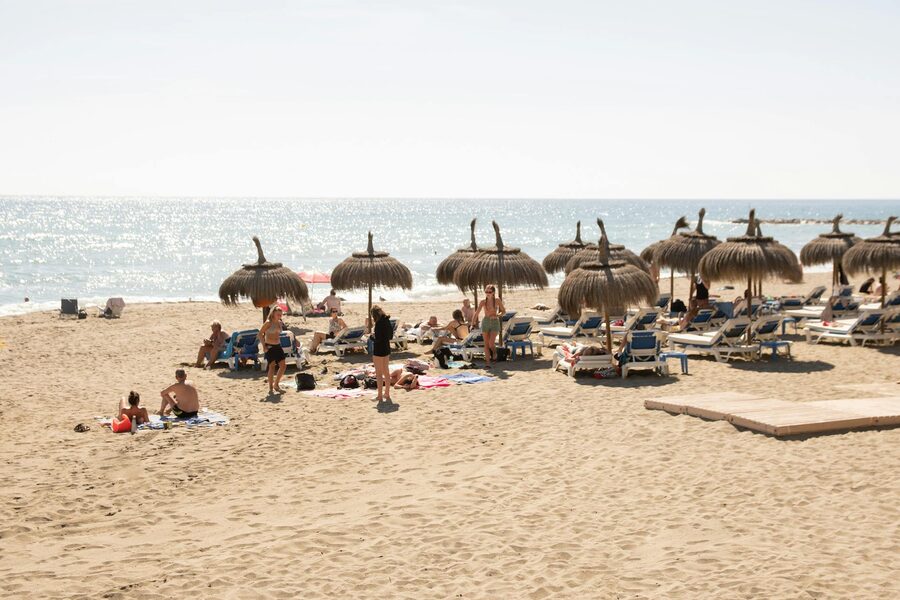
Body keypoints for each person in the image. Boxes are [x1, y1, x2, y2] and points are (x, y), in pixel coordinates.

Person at [472, 284, 505, 368]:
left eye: (489, 292)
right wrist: (472, 323)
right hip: (485, 322)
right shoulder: (483, 302)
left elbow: (503, 311)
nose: (487, 293)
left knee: (491, 343)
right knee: (486, 344)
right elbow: (476, 313)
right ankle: (488, 362)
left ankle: (494, 352)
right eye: (486, 291)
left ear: (493, 292)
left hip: (495, 322)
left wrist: (497, 315)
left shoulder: (497, 300)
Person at [260, 307, 287, 393]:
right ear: (273, 314)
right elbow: (260, 334)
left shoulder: (280, 323)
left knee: (283, 366)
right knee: (272, 367)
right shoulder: (268, 323)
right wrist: (264, 346)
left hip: (278, 346)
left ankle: (276, 384)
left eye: (280, 314)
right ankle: (271, 388)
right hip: (270, 346)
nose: (279, 316)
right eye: (278, 314)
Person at [370, 305, 393, 406]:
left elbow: (378, 339)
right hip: (386, 348)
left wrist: (371, 337)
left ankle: (379, 395)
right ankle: (387, 393)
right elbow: (390, 336)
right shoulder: (387, 320)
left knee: (379, 373)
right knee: (386, 371)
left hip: (379, 349)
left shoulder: (379, 323)